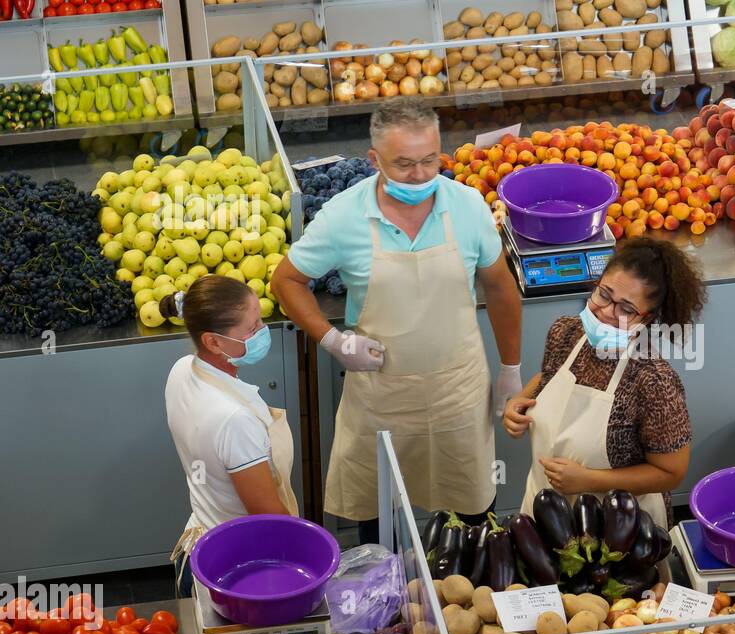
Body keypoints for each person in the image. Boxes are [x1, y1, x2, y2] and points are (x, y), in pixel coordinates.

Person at [271, 97, 522, 544]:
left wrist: (510, 368)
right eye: (404, 164)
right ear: (374, 161)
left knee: (471, 513)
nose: (421, 175)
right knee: (378, 515)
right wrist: (333, 341)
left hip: (457, 391)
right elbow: (286, 281)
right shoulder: (344, 217)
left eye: (430, 160)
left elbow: (501, 287)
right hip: (382, 396)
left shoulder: (467, 206)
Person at [503, 237, 706, 526]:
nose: (607, 313)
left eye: (626, 309)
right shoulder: (566, 332)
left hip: (616, 528)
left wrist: (590, 481)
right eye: (604, 295)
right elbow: (549, 376)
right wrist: (518, 403)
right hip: (544, 509)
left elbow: (671, 472)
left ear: (648, 319)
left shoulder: (654, 381)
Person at [162, 275, 298, 596]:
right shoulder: (235, 419)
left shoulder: (182, 369)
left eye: (260, 319)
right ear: (213, 342)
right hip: (233, 570)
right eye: (252, 329)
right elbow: (267, 515)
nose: (262, 332)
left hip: (196, 545)